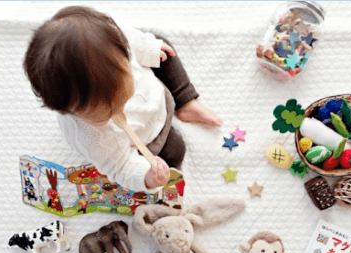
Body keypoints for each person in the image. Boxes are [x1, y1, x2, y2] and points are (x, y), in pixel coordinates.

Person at [23, 6, 221, 191]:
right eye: (105, 115)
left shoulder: (114, 39)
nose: (121, 110)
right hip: (145, 137)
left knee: (162, 48)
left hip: (156, 93)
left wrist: (148, 48)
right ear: (69, 112)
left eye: (124, 98)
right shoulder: (91, 138)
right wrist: (147, 177)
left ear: (123, 52)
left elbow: (134, 40)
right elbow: (120, 166)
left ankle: (185, 101)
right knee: (176, 151)